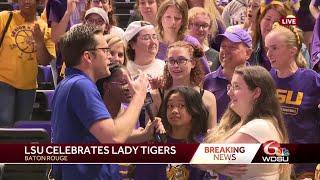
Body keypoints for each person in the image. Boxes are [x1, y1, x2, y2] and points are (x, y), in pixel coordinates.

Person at [51, 24, 151, 179]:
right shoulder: (81, 86)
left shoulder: (68, 83)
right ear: (88, 57)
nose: (109, 56)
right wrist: (139, 96)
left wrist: (143, 135)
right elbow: (113, 138)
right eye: (105, 51)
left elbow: (93, 138)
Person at [203, 65, 291, 179]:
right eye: (230, 86)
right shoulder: (245, 123)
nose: (229, 92)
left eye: (237, 87)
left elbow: (203, 157)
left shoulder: (259, 126)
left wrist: (216, 166)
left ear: (256, 93)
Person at [265, 22, 320, 178]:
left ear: (292, 51)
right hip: (274, 158)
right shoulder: (267, 79)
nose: (269, 54)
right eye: (267, 48)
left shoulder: (311, 79)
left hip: (306, 161)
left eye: (274, 48)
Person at [0, 0, 55, 127]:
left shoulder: (45, 27)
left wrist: (40, 43)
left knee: (22, 127)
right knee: (4, 123)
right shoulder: (4, 17)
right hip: (3, 80)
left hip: (28, 86)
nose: (26, 1)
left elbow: (45, 61)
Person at [134, 87, 208, 180]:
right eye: (170, 106)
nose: (174, 111)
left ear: (194, 109)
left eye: (181, 105)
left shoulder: (204, 146)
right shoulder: (154, 144)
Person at [151, 41, 217, 129]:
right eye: (171, 61)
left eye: (181, 60)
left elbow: (212, 136)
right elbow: (149, 135)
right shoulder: (156, 96)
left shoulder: (208, 98)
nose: (175, 65)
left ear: (193, 63)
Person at [203, 26, 252, 122]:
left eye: (233, 47)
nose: (225, 51)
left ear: (248, 53)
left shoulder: (256, 80)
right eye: (223, 46)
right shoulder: (208, 80)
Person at [156, 0, 211, 74]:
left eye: (177, 18)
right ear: (161, 18)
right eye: (168, 17)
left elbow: (206, 75)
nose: (173, 22)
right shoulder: (153, 43)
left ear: (183, 21)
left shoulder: (192, 43)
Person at [187, 7, 220, 71]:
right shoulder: (176, 51)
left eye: (205, 25)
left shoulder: (216, 56)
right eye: (196, 25)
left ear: (209, 29)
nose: (201, 29)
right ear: (188, 25)